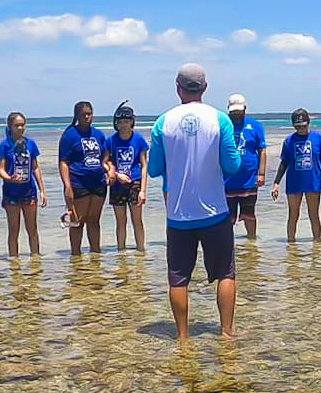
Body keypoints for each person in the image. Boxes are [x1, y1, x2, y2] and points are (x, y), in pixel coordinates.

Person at [147, 63, 242, 340]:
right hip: (215, 212)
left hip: (178, 215)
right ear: (205, 87)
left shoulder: (163, 122)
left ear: (177, 87)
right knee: (225, 272)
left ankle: (182, 336)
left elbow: (153, 169)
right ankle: (226, 333)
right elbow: (233, 165)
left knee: (178, 278)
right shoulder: (220, 119)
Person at [270, 109, 321, 243]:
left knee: (314, 215)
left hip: (313, 182)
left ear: (308, 123)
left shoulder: (317, 138)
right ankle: (291, 245)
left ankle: (317, 245)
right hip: (294, 183)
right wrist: (276, 183)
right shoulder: (288, 141)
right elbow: (284, 163)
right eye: (298, 127)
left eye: (303, 126)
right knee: (293, 215)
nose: (301, 129)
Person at [58, 101, 108, 256]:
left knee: (94, 220)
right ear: (77, 116)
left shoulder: (98, 134)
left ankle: (95, 254)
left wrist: (109, 171)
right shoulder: (69, 135)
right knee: (77, 222)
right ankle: (76, 256)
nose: (87, 117)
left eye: (89, 113)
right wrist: (67, 186)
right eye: (83, 114)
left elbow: (105, 157)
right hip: (78, 182)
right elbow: (63, 162)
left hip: (98, 182)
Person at [0, 112, 46, 258]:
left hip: (29, 191)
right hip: (11, 193)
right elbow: (1, 170)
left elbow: (35, 167)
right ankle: (14, 261)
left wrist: (42, 190)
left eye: (22, 125)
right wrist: (10, 178)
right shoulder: (4, 146)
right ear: (10, 127)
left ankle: (35, 259)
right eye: (16, 125)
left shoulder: (30, 143)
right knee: (14, 230)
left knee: (32, 229)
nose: (20, 128)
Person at [103, 103, 149, 252]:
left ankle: (141, 251)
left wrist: (142, 190)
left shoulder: (139, 140)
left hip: (134, 182)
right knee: (120, 221)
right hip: (117, 185)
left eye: (126, 122)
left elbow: (144, 166)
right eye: (120, 122)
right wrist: (115, 174)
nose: (123, 125)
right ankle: (121, 252)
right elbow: (104, 162)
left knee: (137, 220)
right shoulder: (111, 140)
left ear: (132, 122)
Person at [223, 93, 267, 240]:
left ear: (245, 109)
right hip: (226, 181)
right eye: (233, 112)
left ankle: (251, 242)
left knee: (249, 214)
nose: (236, 115)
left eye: (239, 111)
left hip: (249, 180)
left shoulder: (254, 126)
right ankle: (227, 243)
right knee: (228, 217)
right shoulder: (223, 126)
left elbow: (262, 150)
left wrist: (261, 173)